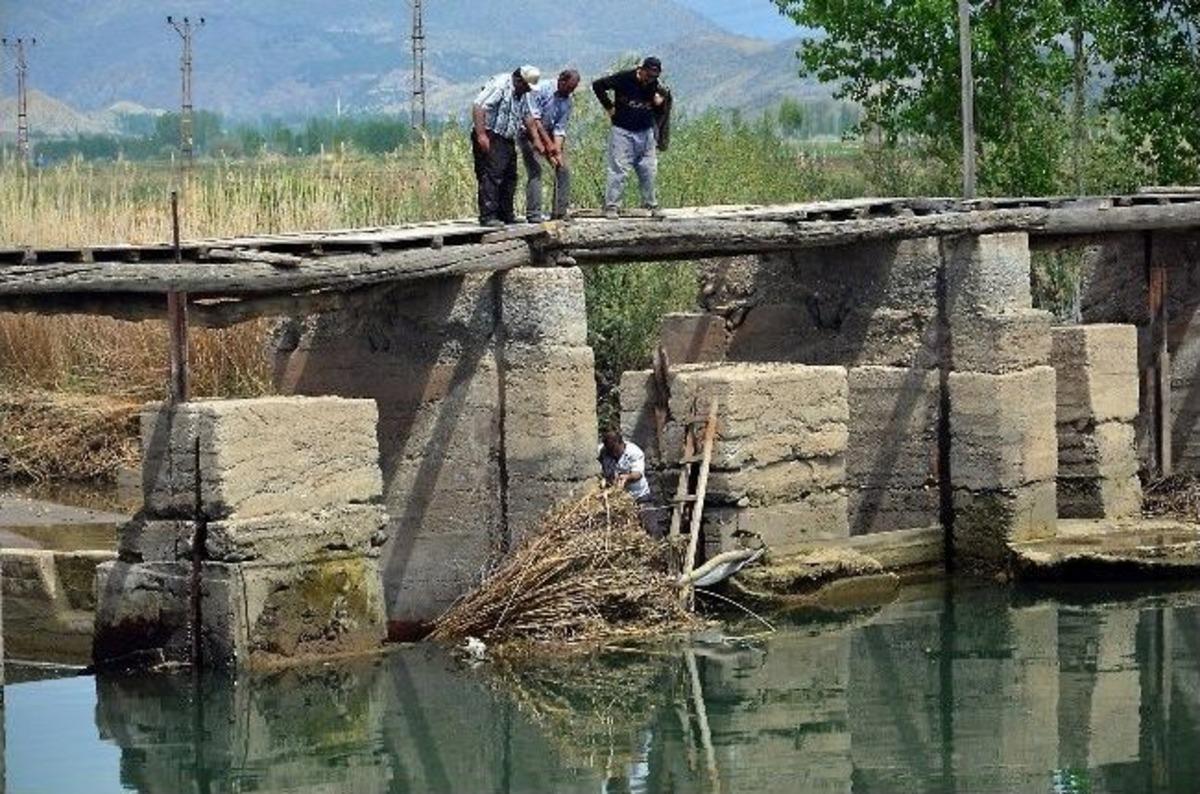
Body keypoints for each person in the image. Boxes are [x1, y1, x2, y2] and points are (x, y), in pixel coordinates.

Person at [592, 57, 672, 220]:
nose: (650, 79)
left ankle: (651, 203)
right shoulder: (624, 78)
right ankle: (612, 205)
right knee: (619, 169)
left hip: (645, 132)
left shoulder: (656, 85)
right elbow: (598, 85)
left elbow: (662, 110)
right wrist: (609, 107)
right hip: (623, 131)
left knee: (649, 170)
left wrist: (659, 103)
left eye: (653, 77)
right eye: (648, 75)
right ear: (641, 70)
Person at [472, 66, 540, 227]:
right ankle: (488, 216)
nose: (528, 90)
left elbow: (527, 116)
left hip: (506, 137)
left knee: (510, 176)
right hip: (490, 133)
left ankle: (506, 213)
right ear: (519, 80)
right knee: (492, 175)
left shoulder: (523, 93)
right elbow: (478, 106)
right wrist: (481, 135)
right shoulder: (500, 85)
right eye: (526, 86)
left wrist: (536, 139)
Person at [520, 68, 580, 222]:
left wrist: (557, 151)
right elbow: (535, 120)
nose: (569, 92)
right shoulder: (542, 89)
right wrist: (547, 145)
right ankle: (534, 213)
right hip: (529, 132)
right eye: (568, 88)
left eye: (572, 90)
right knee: (536, 170)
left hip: (548, 133)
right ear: (561, 80)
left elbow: (560, 129)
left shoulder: (567, 101)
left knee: (563, 168)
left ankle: (559, 212)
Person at [598, 429, 662, 538]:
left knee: (651, 526)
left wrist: (627, 477)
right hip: (617, 500)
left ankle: (660, 544)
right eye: (610, 451)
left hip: (639, 496)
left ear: (620, 443)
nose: (613, 453)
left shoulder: (634, 452)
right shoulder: (604, 450)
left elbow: (638, 474)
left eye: (614, 450)